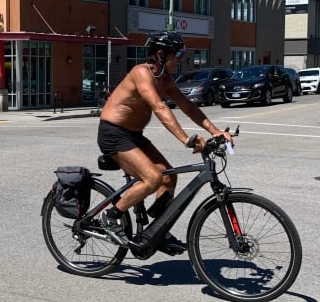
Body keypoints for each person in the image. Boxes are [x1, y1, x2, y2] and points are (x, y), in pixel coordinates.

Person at [96, 31, 233, 254]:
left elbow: (188, 106)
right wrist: (186, 139)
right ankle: (110, 216)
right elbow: (160, 108)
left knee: (169, 177)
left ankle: (157, 231)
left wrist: (215, 131)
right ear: (161, 55)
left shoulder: (165, 80)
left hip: (133, 135)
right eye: (177, 54)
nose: (180, 59)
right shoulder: (141, 73)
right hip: (113, 133)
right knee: (152, 178)